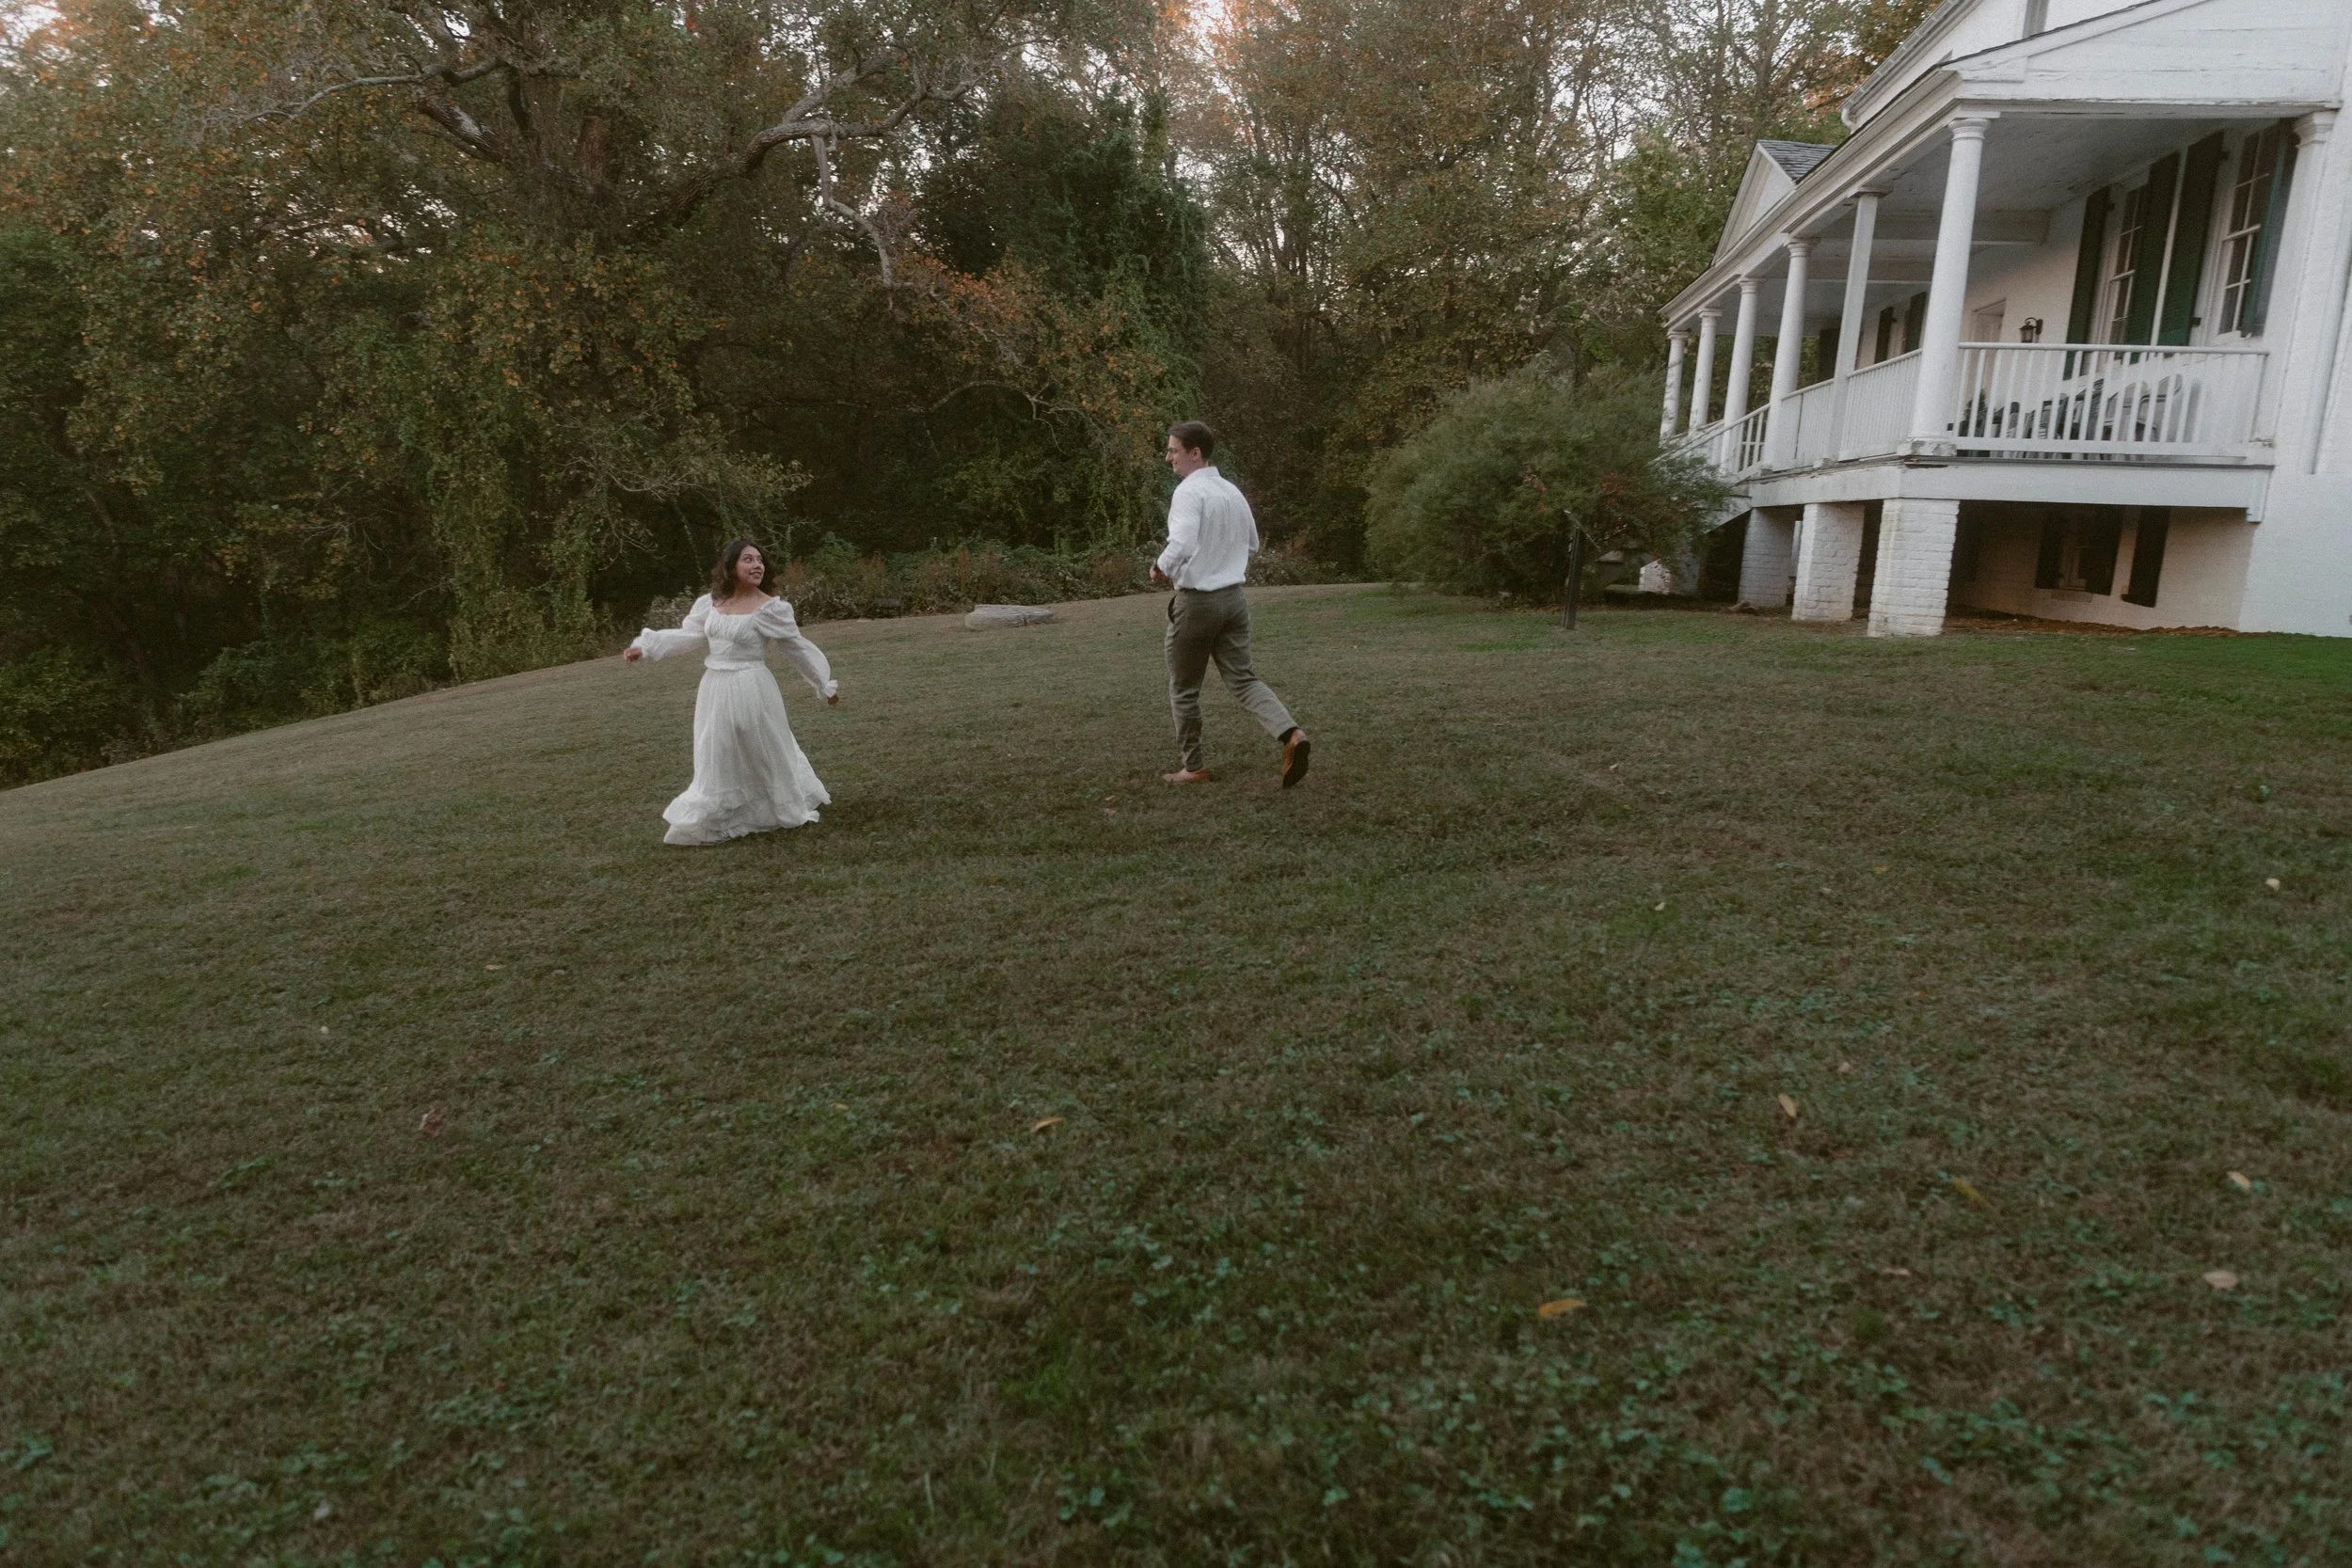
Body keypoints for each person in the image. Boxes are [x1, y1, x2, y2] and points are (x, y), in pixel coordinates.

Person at [624, 540, 840, 846]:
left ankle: (777, 806)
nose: (757, 565)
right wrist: (646, 647)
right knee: (715, 750)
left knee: (762, 749)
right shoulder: (710, 603)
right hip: (715, 687)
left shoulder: (771, 608)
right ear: (731, 567)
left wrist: (823, 683)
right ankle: (717, 814)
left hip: (752, 686)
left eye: (760, 560)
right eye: (748, 560)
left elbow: (797, 648)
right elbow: (688, 635)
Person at [1151, 420, 1311, 787]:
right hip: (1235, 600)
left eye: (1174, 450)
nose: (1168, 457)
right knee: (1243, 679)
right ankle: (1291, 735)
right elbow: (1252, 544)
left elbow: (1183, 544)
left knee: (1184, 687)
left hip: (1199, 603)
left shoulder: (1189, 492)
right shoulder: (1231, 491)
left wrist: (1160, 568)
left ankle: (1193, 768)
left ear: (1195, 453)